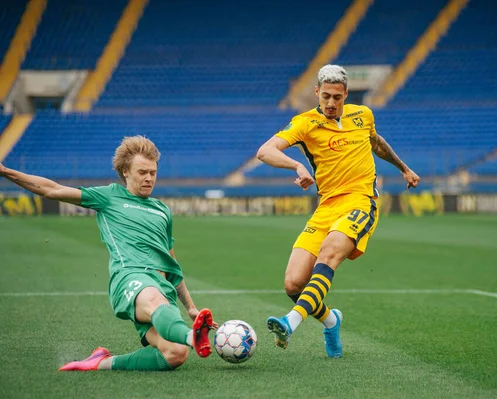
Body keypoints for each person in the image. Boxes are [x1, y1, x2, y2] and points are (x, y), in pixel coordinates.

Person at [0, 136, 217, 371]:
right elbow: (53, 190)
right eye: (142, 171)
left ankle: (101, 363)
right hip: (130, 277)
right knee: (155, 302)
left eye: (153, 172)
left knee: (175, 354)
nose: (149, 178)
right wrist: (5, 172)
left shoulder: (162, 210)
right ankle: (191, 337)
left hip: (161, 288)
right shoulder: (109, 197)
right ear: (125, 171)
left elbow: (171, 263)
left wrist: (190, 307)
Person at [256, 65, 420, 357]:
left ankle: (289, 323)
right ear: (317, 92)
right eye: (326, 96)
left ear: (346, 95)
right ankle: (332, 321)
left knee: (329, 253)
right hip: (326, 207)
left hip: (360, 201)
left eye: (337, 97)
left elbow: (377, 144)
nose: (331, 103)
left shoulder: (363, 115)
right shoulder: (305, 123)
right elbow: (265, 151)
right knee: (293, 283)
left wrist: (404, 168)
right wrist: (296, 165)